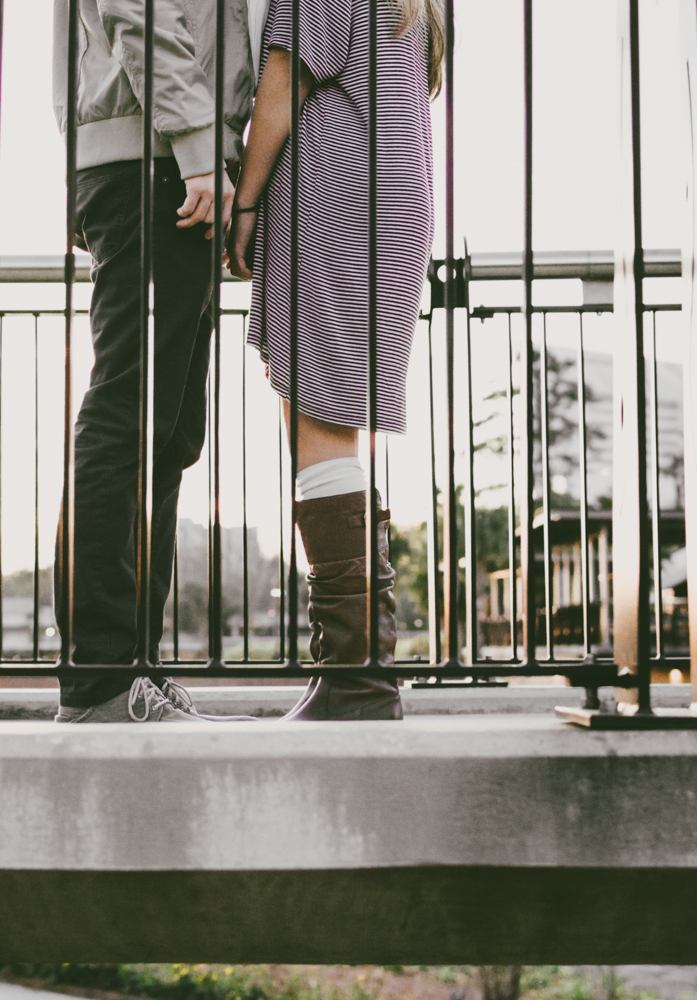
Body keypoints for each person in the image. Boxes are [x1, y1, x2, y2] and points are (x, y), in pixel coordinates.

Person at [228, 0, 442, 720]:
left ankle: (354, 676)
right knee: (334, 420)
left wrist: (246, 201)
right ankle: (357, 668)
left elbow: (285, 77)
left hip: (336, 188)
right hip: (393, 188)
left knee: (319, 419)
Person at [51, 0, 258, 723]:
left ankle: (131, 668)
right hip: (159, 156)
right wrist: (201, 147)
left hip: (167, 155)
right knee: (129, 416)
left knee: (166, 434)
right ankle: (101, 680)